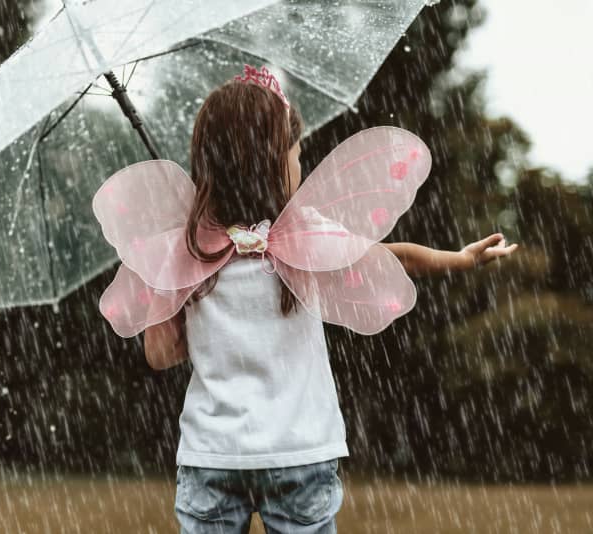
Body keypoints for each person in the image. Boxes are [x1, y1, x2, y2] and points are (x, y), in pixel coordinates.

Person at [98, 65, 519, 534]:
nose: (301, 161)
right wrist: (460, 259)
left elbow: (160, 355)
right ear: (275, 160)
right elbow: (392, 256)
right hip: (300, 450)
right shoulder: (304, 237)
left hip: (214, 453)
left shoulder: (183, 252)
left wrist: (172, 292)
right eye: (296, 152)